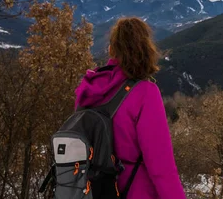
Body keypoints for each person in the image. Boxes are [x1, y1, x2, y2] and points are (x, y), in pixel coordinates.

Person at [75, 17, 186, 199]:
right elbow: (161, 166)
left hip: (90, 189)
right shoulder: (145, 93)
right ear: (146, 50)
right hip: (133, 190)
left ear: (111, 49)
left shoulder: (88, 88)